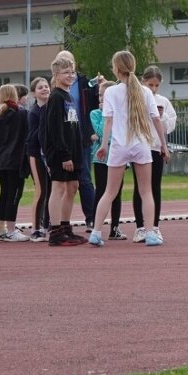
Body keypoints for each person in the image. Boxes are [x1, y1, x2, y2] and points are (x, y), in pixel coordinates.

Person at [88, 51, 170, 247]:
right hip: (141, 145)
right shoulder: (146, 92)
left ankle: (96, 233)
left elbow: (108, 120)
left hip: (119, 145)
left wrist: (102, 145)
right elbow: (156, 119)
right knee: (146, 191)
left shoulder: (110, 92)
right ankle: (150, 233)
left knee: (109, 191)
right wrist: (164, 145)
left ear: (116, 69)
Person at [44, 56, 88, 246]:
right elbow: (55, 129)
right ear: (56, 75)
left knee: (72, 187)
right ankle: (55, 232)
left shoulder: (69, 96)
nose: (70, 76)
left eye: (72, 72)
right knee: (59, 187)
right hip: (60, 153)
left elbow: (72, 127)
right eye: (65, 72)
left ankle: (65, 227)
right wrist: (64, 155)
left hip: (73, 151)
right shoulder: (55, 97)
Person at [131, 65, 177, 243]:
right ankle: (140, 227)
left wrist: (162, 116)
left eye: (157, 85)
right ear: (143, 82)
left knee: (154, 186)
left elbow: (171, 125)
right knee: (140, 187)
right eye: (150, 85)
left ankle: (155, 226)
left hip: (156, 147)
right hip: (140, 147)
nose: (153, 88)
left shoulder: (163, 101)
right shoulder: (137, 99)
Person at [55, 50, 100, 231]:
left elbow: (96, 104)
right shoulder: (55, 90)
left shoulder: (84, 83)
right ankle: (55, 225)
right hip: (63, 142)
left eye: (70, 65)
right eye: (63, 64)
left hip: (82, 138)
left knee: (83, 181)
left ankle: (91, 218)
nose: (69, 72)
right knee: (58, 186)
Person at [0, 84, 30, 241]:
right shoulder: (22, 114)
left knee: (4, 194)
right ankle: (11, 230)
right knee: (14, 195)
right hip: (15, 160)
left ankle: (0, 230)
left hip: (0, 161)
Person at [90, 81, 126, 240]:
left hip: (118, 155)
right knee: (101, 190)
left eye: (105, 96)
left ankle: (115, 227)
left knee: (117, 192)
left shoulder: (120, 113)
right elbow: (99, 130)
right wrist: (106, 113)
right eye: (100, 96)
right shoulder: (96, 114)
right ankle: (95, 224)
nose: (101, 99)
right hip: (101, 159)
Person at [27, 77, 51, 242]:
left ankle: (46, 224)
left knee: (51, 191)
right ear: (34, 93)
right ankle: (35, 229)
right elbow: (33, 136)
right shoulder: (34, 112)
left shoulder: (51, 109)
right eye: (40, 87)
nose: (45, 89)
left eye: (46, 86)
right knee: (41, 190)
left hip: (50, 155)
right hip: (36, 154)